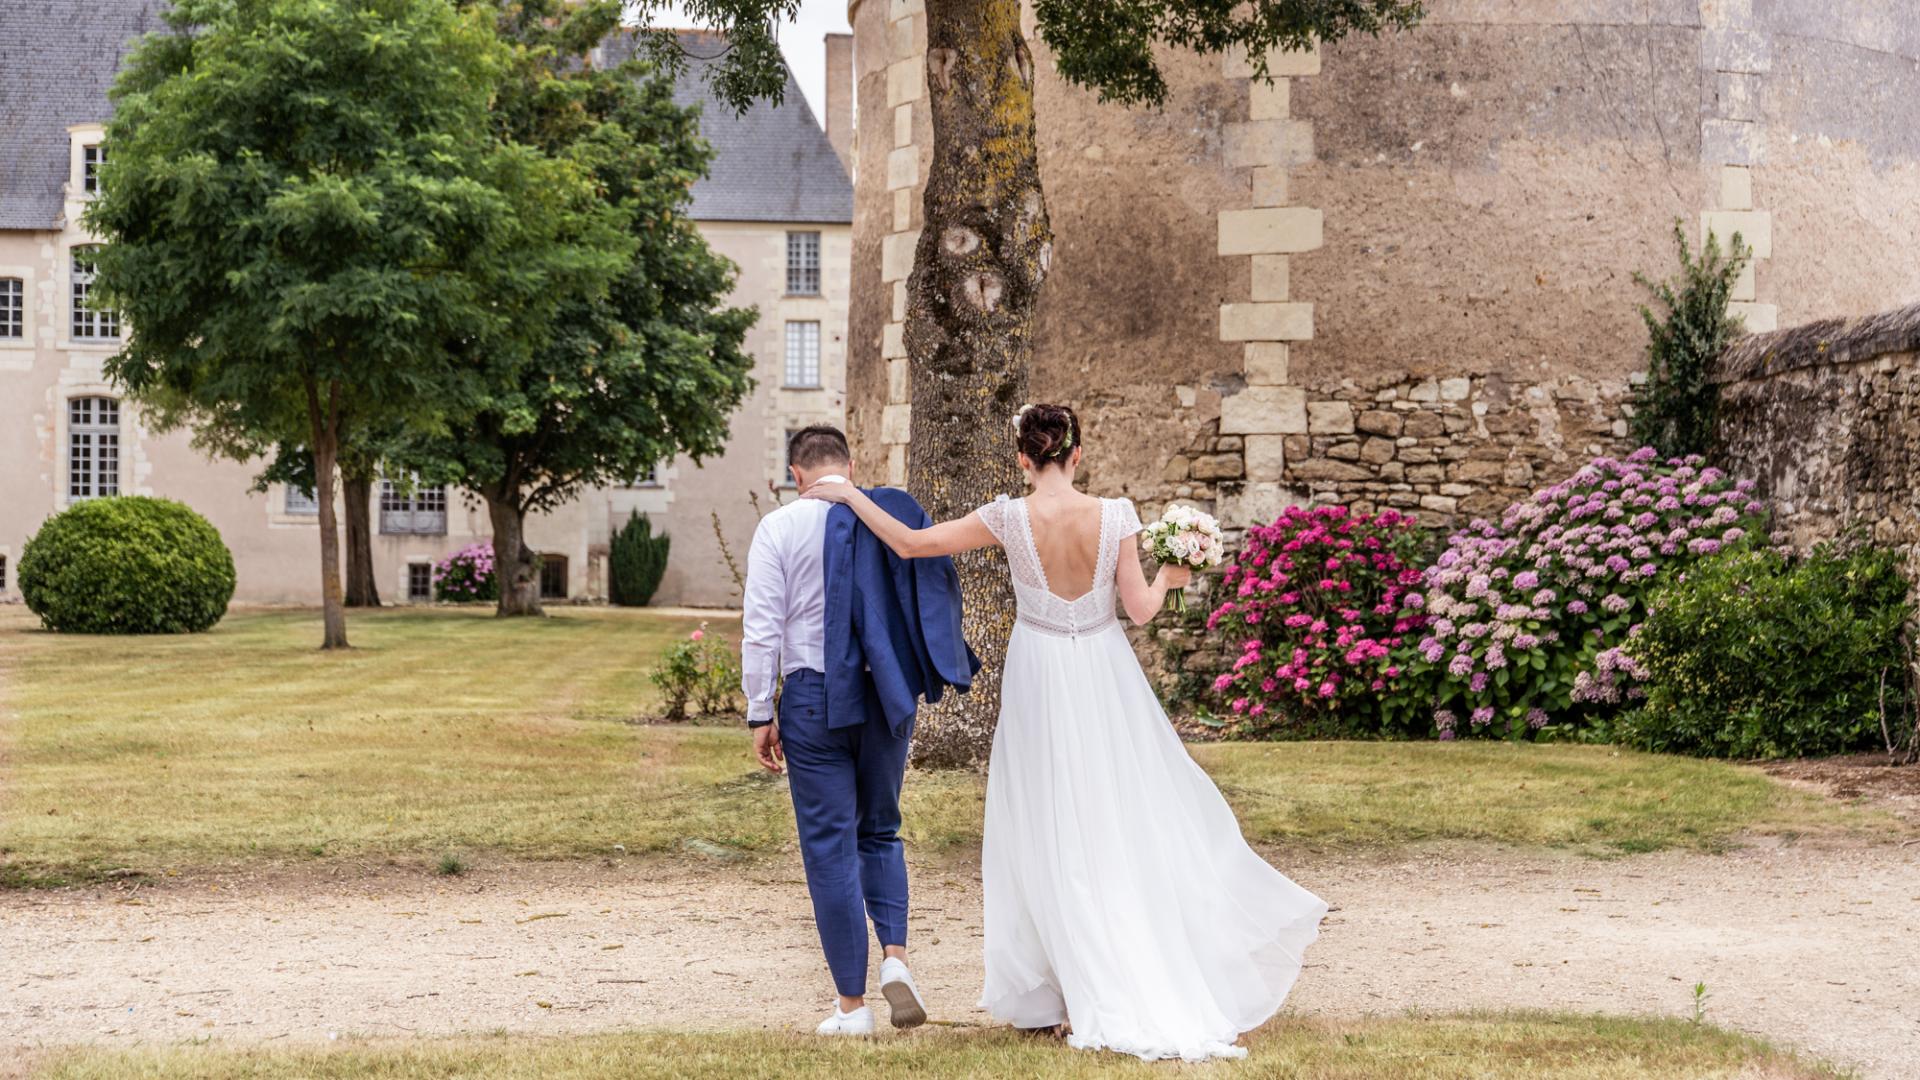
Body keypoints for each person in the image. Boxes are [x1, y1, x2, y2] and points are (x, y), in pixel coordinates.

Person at [803, 403, 1327, 1061]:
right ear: (1077, 454)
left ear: (1022, 457)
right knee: (1119, 812)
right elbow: (1139, 610)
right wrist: (1172, 575)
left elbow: (911, 543)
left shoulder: (1008, 517)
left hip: (1041, 672)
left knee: (1049, 822)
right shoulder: (1117, 516)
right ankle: (1119, 968)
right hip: (1105, 671)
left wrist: (850, 492)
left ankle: (1065, 989)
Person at [740, 425, 976, 1036]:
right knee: (881, 829)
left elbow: (762, 628)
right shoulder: (878, 516)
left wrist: (760, 710)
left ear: (797, 474)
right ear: (851, 464)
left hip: (814, 699)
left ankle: (852, 1006)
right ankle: (895, 959)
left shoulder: (780, 528)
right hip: (885, 691)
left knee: (830, 847)